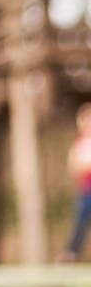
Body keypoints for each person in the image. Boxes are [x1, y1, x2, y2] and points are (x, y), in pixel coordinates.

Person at [57, 103, 91, 262]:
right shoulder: (79, 143)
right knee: (79, 223)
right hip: (86, 191)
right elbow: (74, 166)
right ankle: (71, 254)